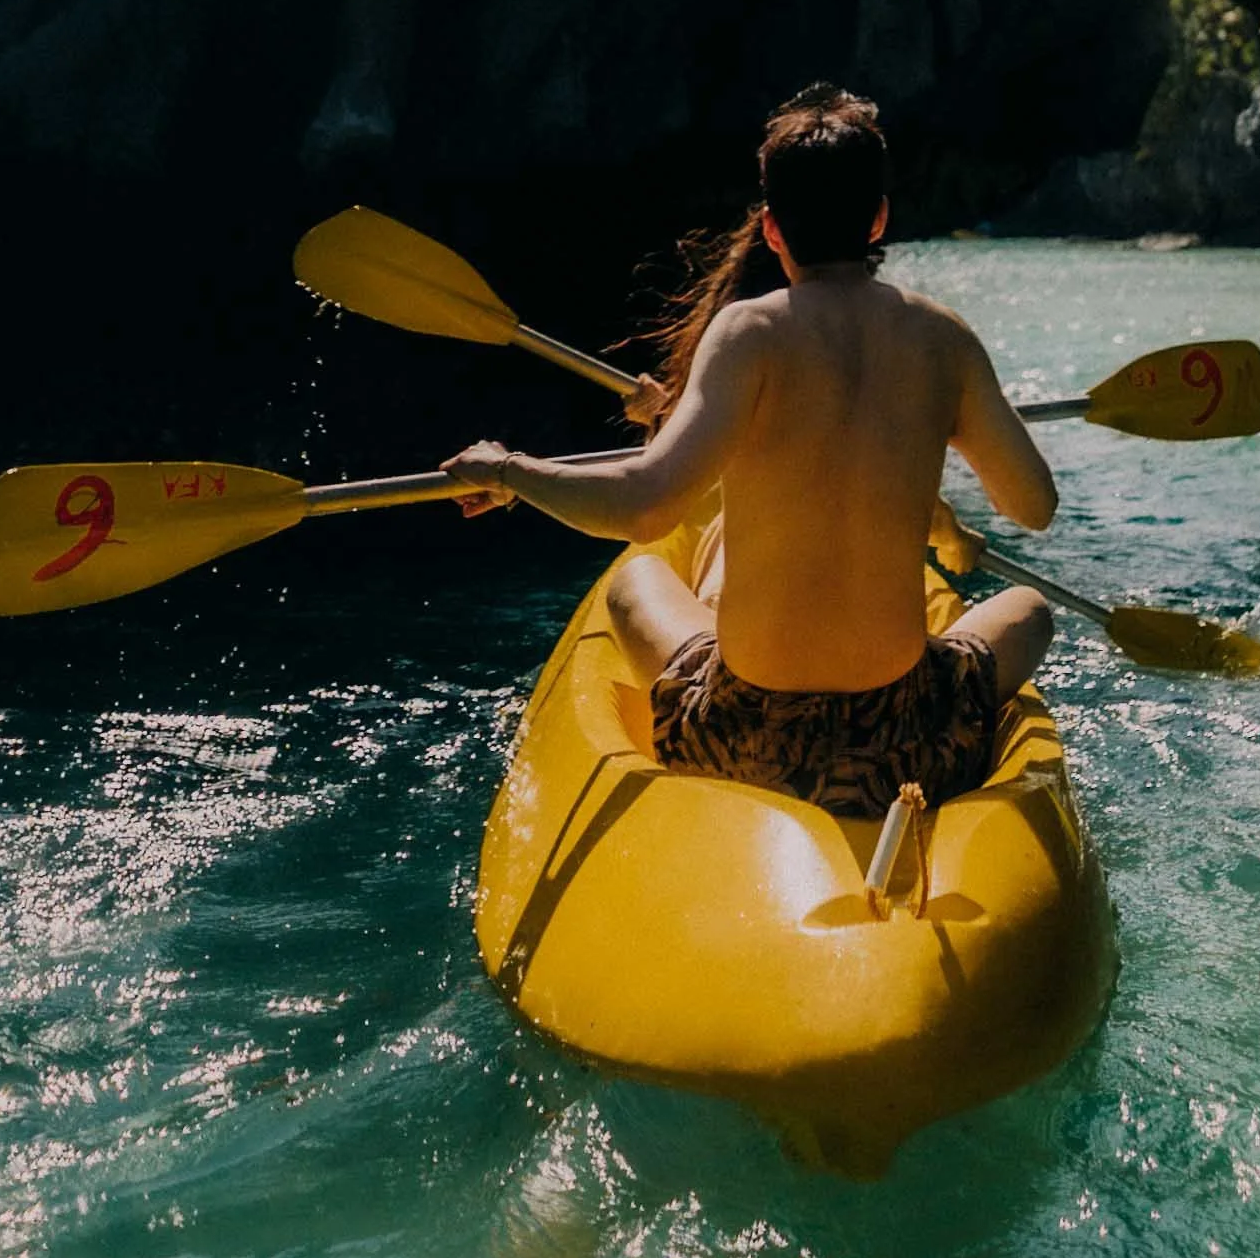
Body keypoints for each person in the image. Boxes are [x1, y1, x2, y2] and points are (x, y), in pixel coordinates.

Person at [447, 83, 1057, 816]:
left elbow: (645, 505)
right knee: (1027, 608)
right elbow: (1033, 505)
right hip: (908, 736)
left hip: (742, 736)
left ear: (771, 229)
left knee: (635, 582)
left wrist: (510, 470)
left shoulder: (747, 333)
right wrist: (946, 424)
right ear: (879, 218)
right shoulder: (943, 339)